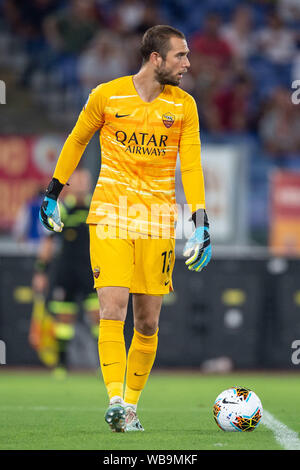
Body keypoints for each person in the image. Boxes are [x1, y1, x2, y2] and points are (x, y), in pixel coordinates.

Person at [39, 25, 211, 432]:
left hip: (157, 220)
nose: (187, 64)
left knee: (147, 323)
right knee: (111, 310)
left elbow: (190, 165)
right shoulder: (106, 95)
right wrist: (52, 193)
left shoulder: (184, 106)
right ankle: (115, 400)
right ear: (156, 58)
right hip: (110, 216)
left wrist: (200, 222)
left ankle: (131, 407)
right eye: (180, 56)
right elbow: (77, 139)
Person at [33, 168, 99, 377]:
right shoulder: (60, 209)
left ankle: (104, 365)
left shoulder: (96, 207)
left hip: (92, 270)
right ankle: (61, 365)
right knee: (64, 318)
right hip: (66, 270)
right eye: (76, 181)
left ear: (89, 184)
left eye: (83, 181)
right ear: (70, 185)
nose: (80, 185)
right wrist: (40, 272)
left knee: (99, 317)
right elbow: (48, 243)